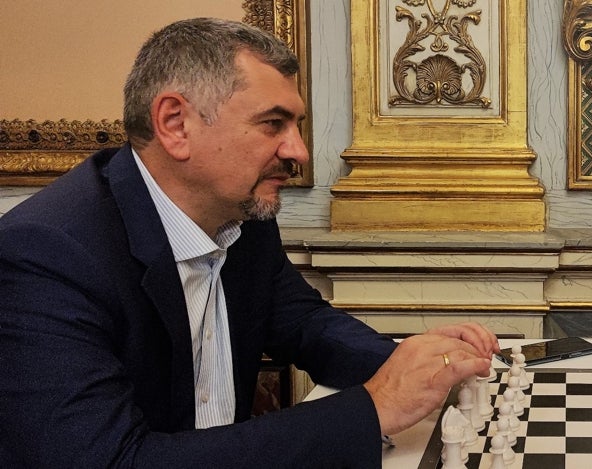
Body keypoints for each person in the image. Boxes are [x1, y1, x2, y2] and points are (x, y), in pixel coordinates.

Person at [0, 18, 500, 468]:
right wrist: (373, 408)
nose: (299, 152)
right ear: (175, 124)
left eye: (297, 126)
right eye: (272, 124)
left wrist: (420, 363)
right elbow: (110, 461)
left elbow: (303, 322)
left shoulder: (241, 214)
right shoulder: (45, 255)